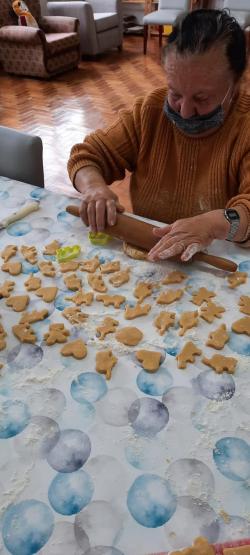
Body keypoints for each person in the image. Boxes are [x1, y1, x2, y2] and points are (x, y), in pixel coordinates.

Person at [68, 9, 250, 262]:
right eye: (175, 93)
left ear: (236, 83)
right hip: (151, 258)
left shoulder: (245, 128)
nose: (185, 112)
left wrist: (213, 224)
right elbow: (87, 155)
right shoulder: (149, 111)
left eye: (201, 98)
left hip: (221, 263)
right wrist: (93, 188)